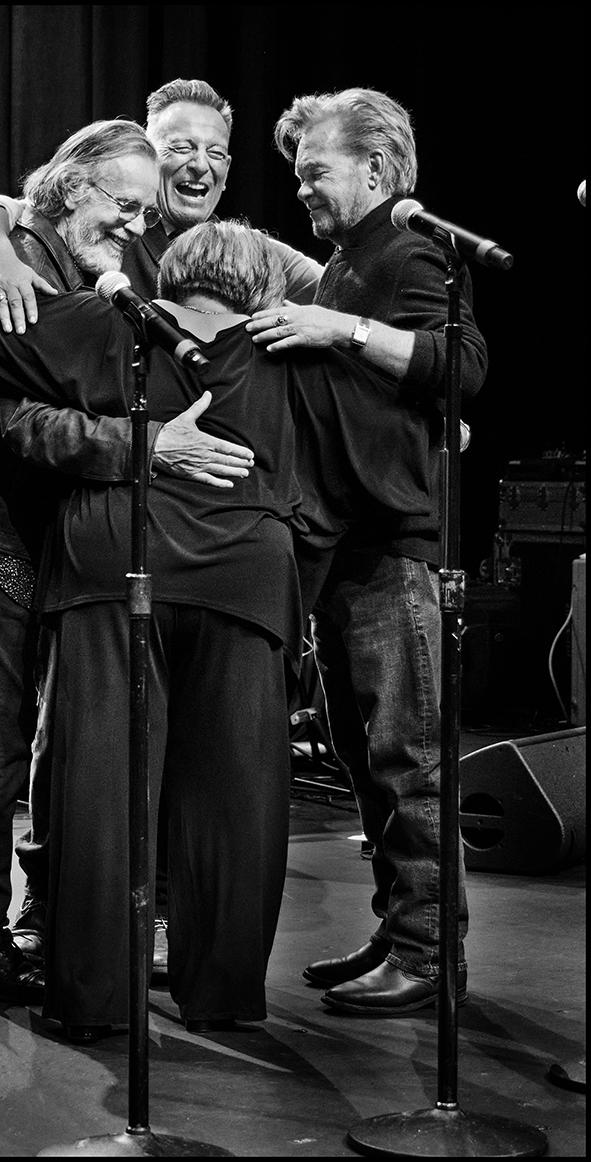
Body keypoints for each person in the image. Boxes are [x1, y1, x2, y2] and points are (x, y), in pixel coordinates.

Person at [0, 215, 424, 1040]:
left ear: (172, 271)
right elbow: (380, 444)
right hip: (244, 573)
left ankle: (93, 998)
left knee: (101, 787)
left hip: (115, 564)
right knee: (236, 797)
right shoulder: (296, 355)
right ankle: (224, 994)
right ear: (262, 286)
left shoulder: (109, 327)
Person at [0, 77, 325, 969]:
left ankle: (132, 930)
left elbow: (339, 299)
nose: (193, 164)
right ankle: (36, 916)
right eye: (175, 148)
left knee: (174, 756)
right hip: (53, 521)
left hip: (175, 546)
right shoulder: (85, 243)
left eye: (214, 151)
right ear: (139, 161)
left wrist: (409, 384)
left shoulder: (224, 261)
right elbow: (2, 228)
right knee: (57, 739)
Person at [0, 119, 253, 1009]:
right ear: (73, 185)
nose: (135, 223)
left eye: (141, 209)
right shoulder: (23, 264)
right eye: (123, 204)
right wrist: (152, 446)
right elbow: (27, 426)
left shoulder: (45, 257)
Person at [246, 88, 488, 1015]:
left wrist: (335, 327)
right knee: (364, 756)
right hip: (347, 544)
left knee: (408, 755)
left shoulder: (411, 248)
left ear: (377, 171)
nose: (302, 189)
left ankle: (429, 952)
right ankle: (400, 931)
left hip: (395, 547)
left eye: (316, 171)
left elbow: (460, 365)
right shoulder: (348, 260)